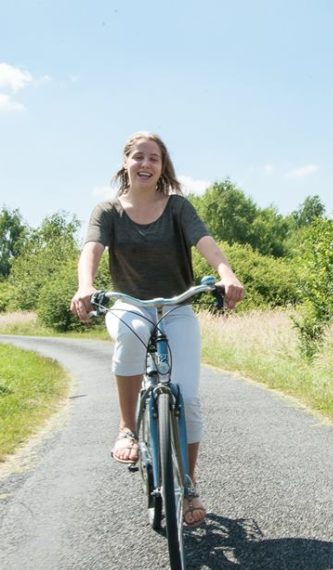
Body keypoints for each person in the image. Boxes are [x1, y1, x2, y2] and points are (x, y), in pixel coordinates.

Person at [70, 131, 244, 527]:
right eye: (139, 157)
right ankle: (128, 428)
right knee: (131, 332)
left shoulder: (178, 207)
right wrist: (86, 287)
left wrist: (226, 273)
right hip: (129, 304)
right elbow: (91, 250)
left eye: (154, 159)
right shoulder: (108, 211)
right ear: (126, 163)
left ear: (163, 167)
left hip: (177, 306)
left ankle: (188, 485)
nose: (146, 165)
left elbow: (206, 242)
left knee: (190, 399)